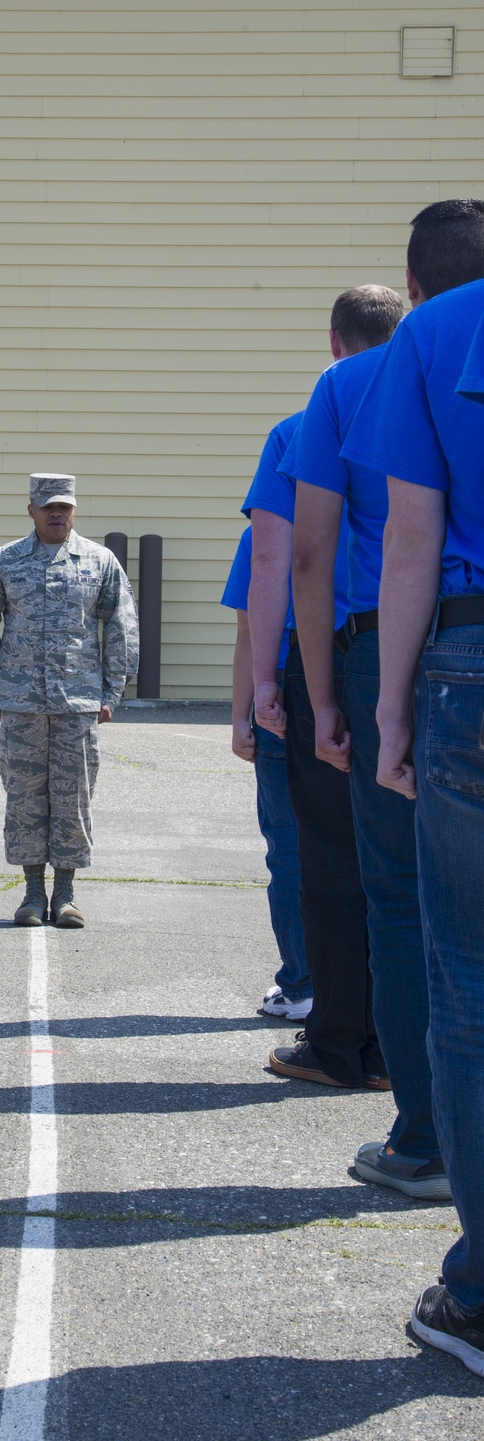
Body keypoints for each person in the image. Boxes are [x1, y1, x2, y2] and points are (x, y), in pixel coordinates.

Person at [286, 247, 483, 1202]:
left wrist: (331, 697)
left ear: (415, 287)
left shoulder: (360, 377)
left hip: (414, 648)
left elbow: (314, 555)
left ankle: (428, 1138)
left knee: (412, 907)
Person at [341, 200, 484, 1374]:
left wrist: (388, 710)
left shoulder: (427, 343)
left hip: (471, 668)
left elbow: (409, 538)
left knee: (471, 987)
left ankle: (481, 1294)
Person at [245, 383, 387, 1092]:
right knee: (414, 867)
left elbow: (280, 559)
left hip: (339, 645)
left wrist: (271, 679)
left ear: (336, 347)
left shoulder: (304, 425)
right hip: (438, 640)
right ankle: (405, 1048)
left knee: (331, 858)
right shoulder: (441, 392)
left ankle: (337, 1040)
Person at [0, 473, 138, 927]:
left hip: (77, 702)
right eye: (48, 507)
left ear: (74, 509)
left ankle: (65, 893)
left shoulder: (99, 561)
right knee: (23, 798)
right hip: (20, 703)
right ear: (31, 511)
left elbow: (121, 626)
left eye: (64, 506)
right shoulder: (5, 560)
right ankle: (31, 893)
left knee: (72, 799)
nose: (56, 514)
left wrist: (111, 691)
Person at [221, 525, 310, 1019]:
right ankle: (356, 987)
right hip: (359, 683)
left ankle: (302, 985)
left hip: (279, 697)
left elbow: (249, 632)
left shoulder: (265, 531)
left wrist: (241, 716)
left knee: (290, 847)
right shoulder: (366, 511)